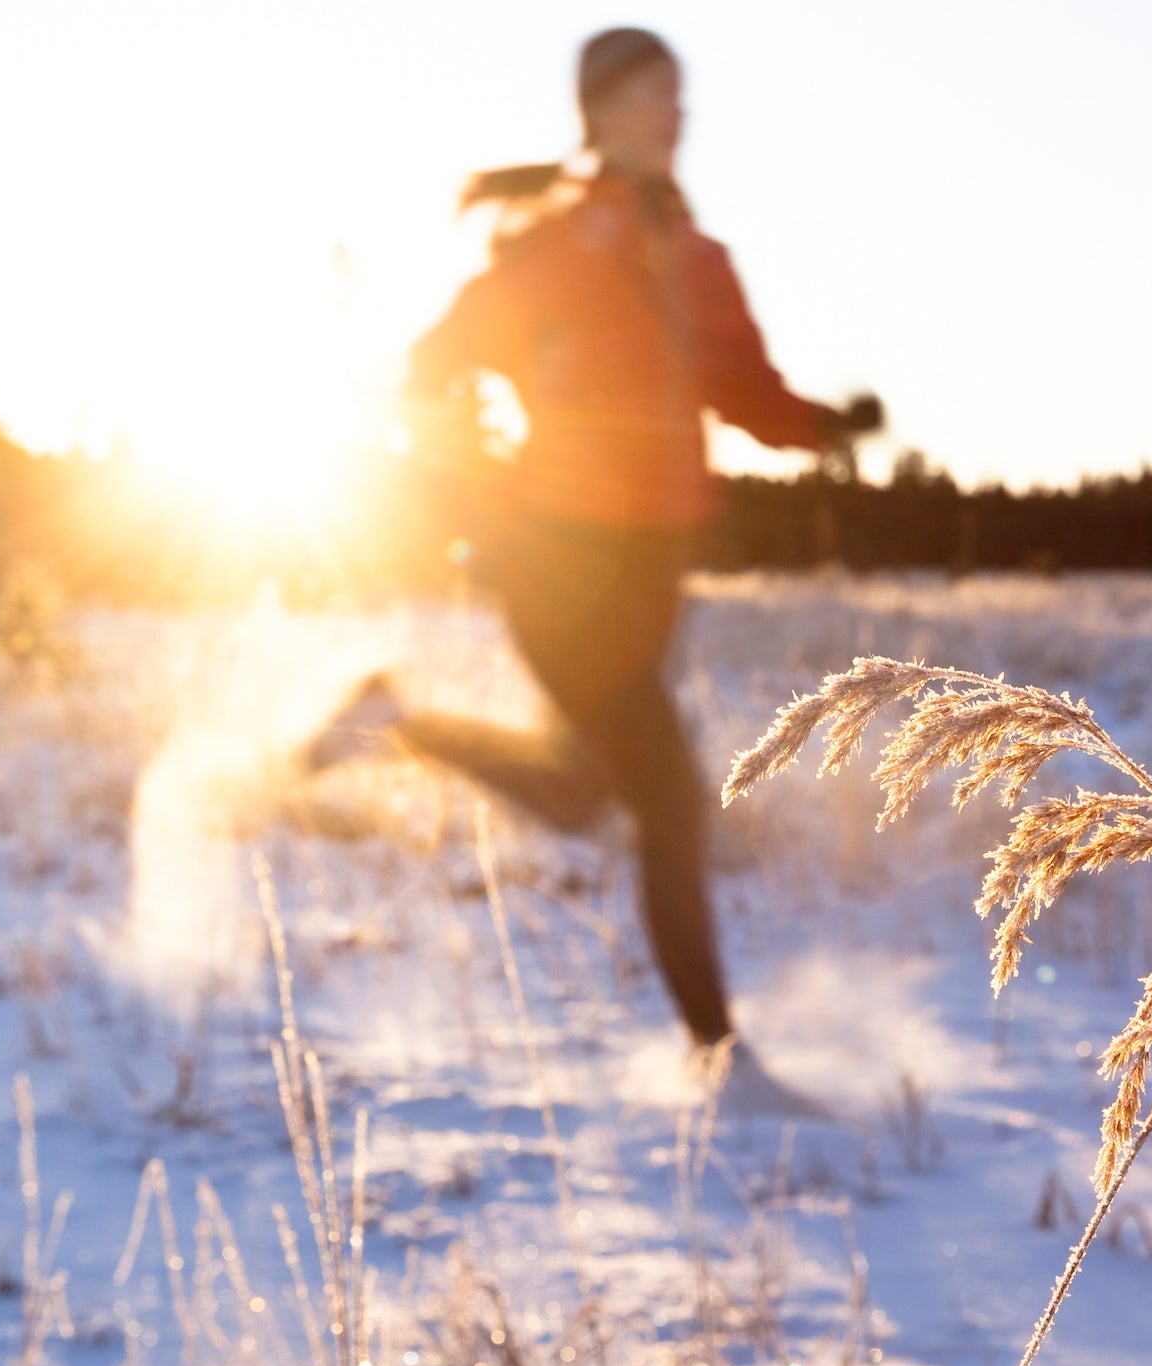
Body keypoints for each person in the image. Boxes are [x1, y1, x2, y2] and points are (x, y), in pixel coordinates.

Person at [312, 26, 879, 1114]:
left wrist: (829, 426)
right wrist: (477, 494)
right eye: (655, 93)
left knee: (581, 794)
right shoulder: (554, 250)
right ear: (602, 111)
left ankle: (397, 721)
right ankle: (718, 1059)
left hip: (654, 572)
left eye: (679, 93)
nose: (677, 112)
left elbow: (745, 393)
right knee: (667, 796)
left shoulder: (700, 258)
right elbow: (430, 369)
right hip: (556, 567)